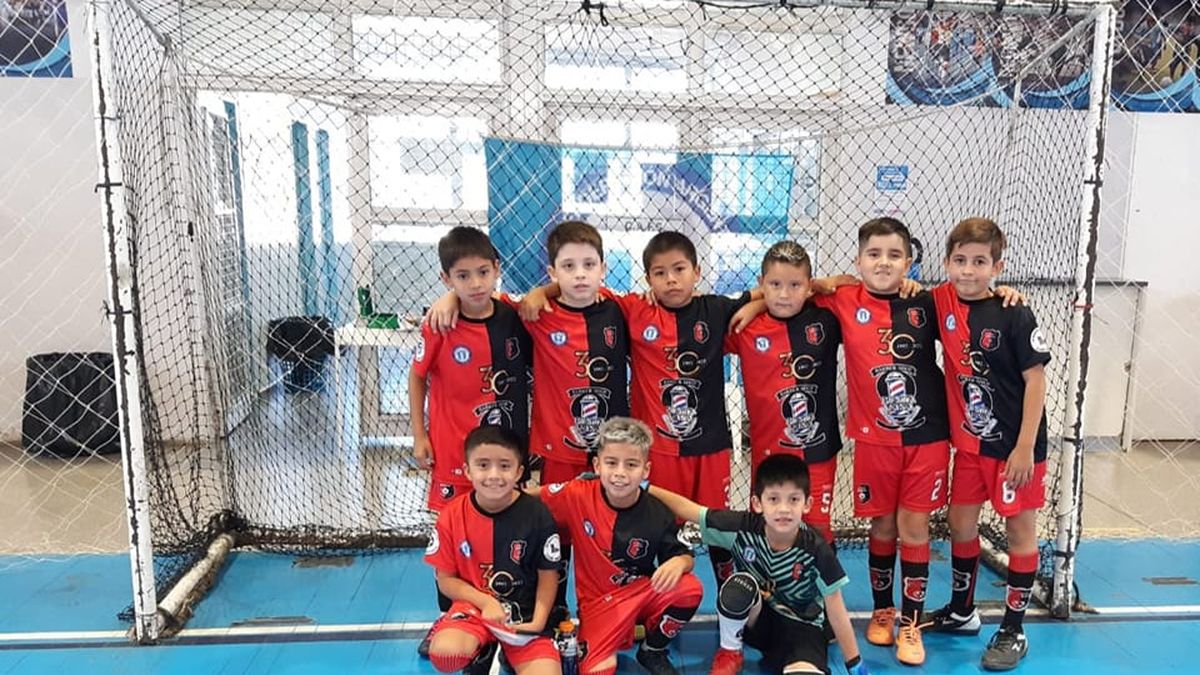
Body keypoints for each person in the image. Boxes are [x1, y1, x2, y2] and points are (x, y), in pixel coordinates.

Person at [523, 230, 759, 584]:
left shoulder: (714, 309)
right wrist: (541, 292)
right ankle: (641, 595)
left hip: (711, 445)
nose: (671, 279)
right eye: (660, 273)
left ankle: (733, 595)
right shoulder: (633, 309)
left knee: (716, 523)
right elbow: (574, 286)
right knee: (658, 525)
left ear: (697, 271)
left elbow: (771, 291)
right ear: (648, 278)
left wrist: (756, 304)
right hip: (658, 449)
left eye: (679, 269)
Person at [809, 218, 949, 666]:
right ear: (858, 260)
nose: (883, 263)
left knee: (915, 528)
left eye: (894, 255)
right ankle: (883, 610)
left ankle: (912, 621)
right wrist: (827, 280)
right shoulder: (843, 298)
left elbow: (973, 310)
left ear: (909, 262)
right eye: (874, 254)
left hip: (927, 436)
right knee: (883, 526)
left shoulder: (926, 301)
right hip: (873, 440)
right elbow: (792, 288)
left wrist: (1007, 294)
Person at [925, 217, 1051, 671]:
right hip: (970, 446)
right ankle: (963, 611)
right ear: (946, 262)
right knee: (960, 522)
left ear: (997, 267)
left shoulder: (1014, 312)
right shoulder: (939, 301)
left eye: (980, 262)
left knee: (1020, 532)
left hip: (1015, 449)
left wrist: (1024, 447)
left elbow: (1035, 381)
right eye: (960, 260)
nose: (968, 270)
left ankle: (1014, 629)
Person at [410, 225, 533, 656]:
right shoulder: (439, 324)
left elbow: (549, 301)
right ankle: (449, 618)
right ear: (446, 279)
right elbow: (417, 377)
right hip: (453, 454)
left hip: (507, 455)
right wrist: (420, 435)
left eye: (483, 272)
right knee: (451, 536)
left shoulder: (514, 315)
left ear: (497, 269)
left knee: (506, 532)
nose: (476, 283)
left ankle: (514, 615)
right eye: (463, 276)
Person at [649, 454, 870, 675]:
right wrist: (644, 487)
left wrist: (855, 664)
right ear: (757, 503)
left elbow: (837, 610)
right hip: (757, 624)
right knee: (739, 585)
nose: (783, 509)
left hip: (802, 629)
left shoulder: (817, 549)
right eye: (773, 499)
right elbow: (691, 510)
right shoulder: (741, 528)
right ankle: (730, 652)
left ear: (807, 504)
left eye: (793, 499)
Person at [537, 417, 702, 675]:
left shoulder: (658, 512)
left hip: (638, 594)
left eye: (631, 464)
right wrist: (493, 496)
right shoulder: (577, 493)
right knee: (595, 671)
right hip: (597, 606)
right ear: (597, 465)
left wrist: (680, 562)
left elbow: (682, 554)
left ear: (646, 470)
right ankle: (613, 637)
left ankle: (652, 649)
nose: (620, 473)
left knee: (690, 589)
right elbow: (532, 498)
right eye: (611, 463)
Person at [725, 241, 843, 545]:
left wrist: (823, 284)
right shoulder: (746, 326)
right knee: (768, 527)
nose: (784, 294)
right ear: (761, 283)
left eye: (795, 285)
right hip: (768, 452)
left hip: (817, 448)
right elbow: (700, 316)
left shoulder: (826, 317)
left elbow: (854, 286)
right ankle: (768, 578)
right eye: (775, 285)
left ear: (808, 285)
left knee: (817, 531)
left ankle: (822, 578)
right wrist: (757, 304)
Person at [423, 426, 563, 675]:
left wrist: (538, 622)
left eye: (505, 466)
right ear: (467, 470)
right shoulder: (451, 515)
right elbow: (445, 580)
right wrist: (486, 603)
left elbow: (548, 576)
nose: (494, 475)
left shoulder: (538, 515)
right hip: (474, 610)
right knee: (446, 655)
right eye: (483, 465)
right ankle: (481, 650)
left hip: (524, 614)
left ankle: (511, 653)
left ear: (519, 472)